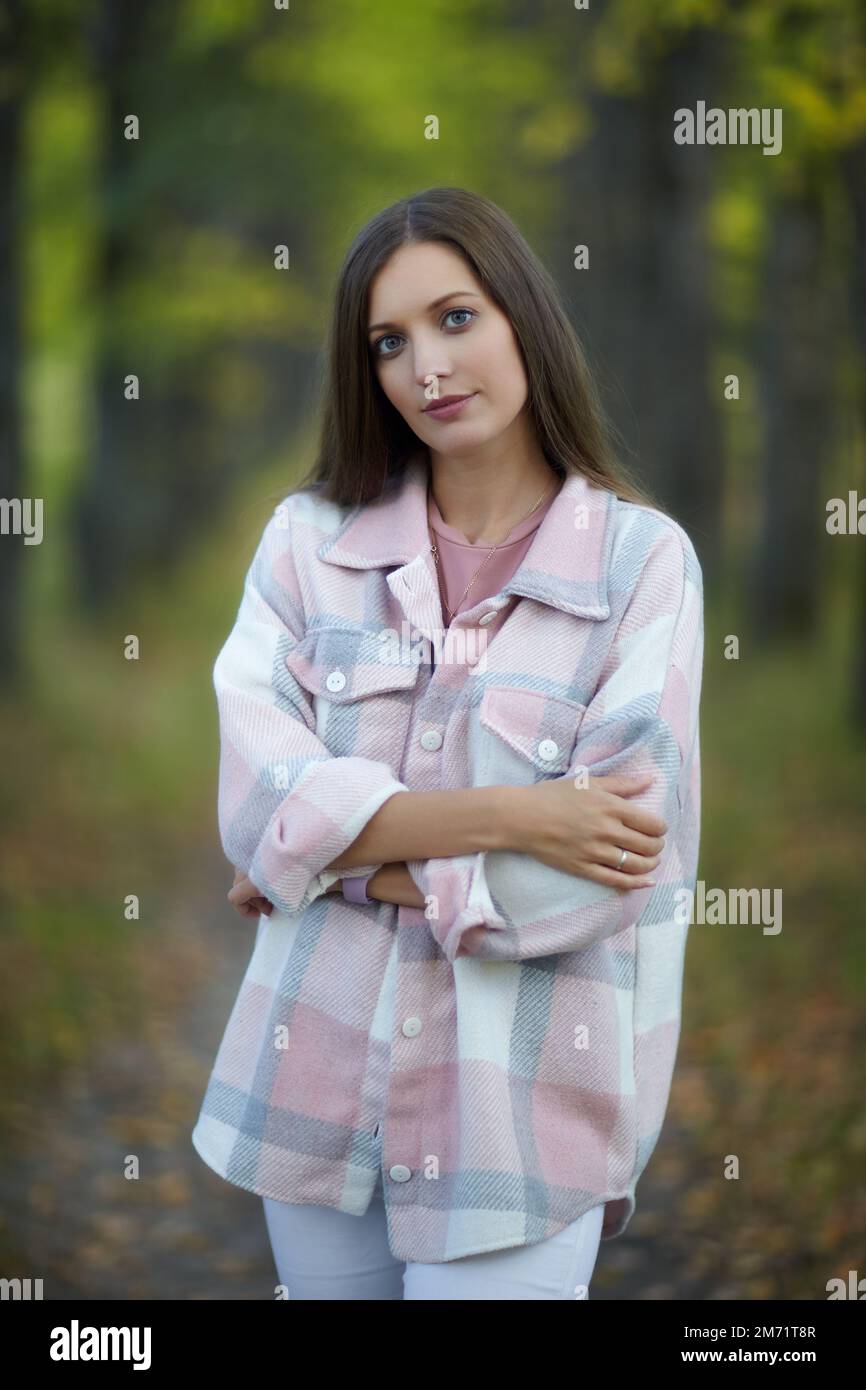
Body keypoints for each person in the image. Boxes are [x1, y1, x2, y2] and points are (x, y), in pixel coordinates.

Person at [191, 186, 704, 1300]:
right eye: (389, 341)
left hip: (516, 1126)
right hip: (311, 1094)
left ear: (523, 317)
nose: (425, 365)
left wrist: (335, 865)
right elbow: (254, 798)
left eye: (455, 318)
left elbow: (606, 873)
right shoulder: (304, 545)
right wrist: (516, 814)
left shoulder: (638, 566)